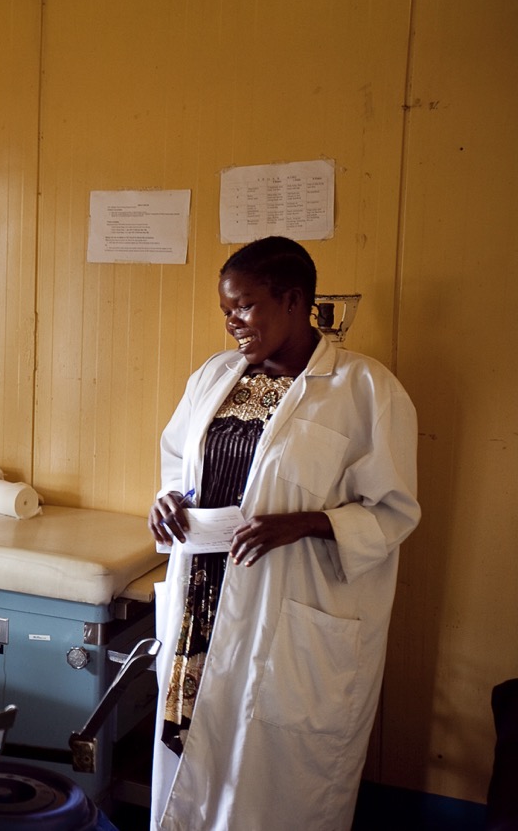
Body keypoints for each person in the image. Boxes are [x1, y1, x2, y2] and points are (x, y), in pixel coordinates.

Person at [146, 236, 420, 830]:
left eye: (243, 307)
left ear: (294, 300)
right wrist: (168, 499)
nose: (232, 325)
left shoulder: (365, 390)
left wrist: (307, 523)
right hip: (203, 598)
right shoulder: (215, 376)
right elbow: (179, 462)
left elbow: (393, 512)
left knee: (266, 769)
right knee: (190, 750)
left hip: (290, 605)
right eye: (225, 311)